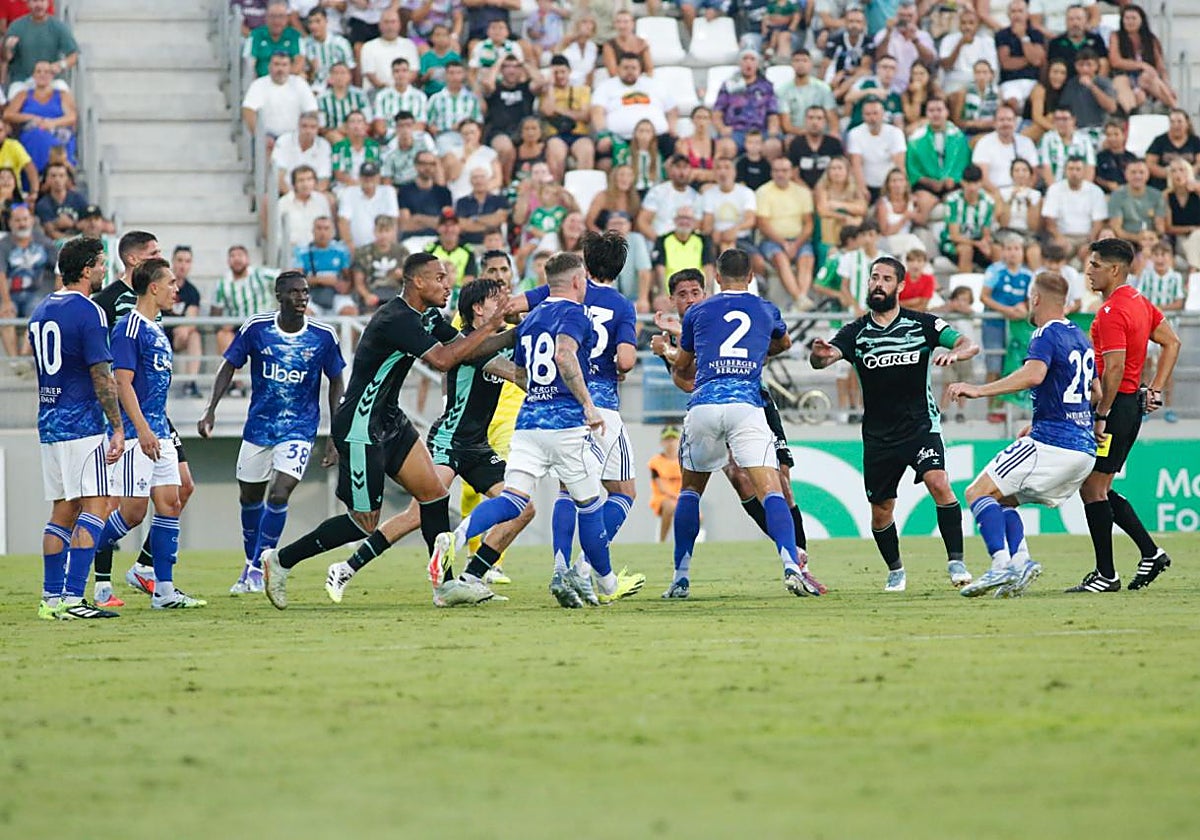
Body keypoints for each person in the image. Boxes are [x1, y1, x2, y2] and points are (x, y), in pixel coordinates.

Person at [259, 253, 514, 609]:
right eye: (440, 278)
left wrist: (514, 335)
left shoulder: (426, 315)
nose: (448, 284)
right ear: (417, 282)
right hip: (362, 426)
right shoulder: (396, 318)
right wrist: (493, 325)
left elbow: (467, 348)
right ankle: (281, 560)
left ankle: (445, 586)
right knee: (363, 523)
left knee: (434, 495)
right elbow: (444, 359)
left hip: (390, 420)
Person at [442, 251, 646, 608]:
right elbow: (569, 356)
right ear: (578, 281)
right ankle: (599, 580)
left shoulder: (532, 316)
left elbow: (519, 370)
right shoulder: (583, 311)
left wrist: (468, 344)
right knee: (594, 504)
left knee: (513, 500)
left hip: (528, 422)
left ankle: (456, 538)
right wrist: (587, 403)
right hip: (572, 423)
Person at [810, 255, 980, 592]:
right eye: (874, 277)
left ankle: (956, 561)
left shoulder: (924, 324)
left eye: (886, 279)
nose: (878, 284)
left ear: (900, 286)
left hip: (920, 425)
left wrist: (956, 354)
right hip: (878, 434)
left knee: (940, 482)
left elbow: (967, 344)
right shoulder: (856, 332)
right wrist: (819, 353)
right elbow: (823, 360)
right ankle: (896, 570)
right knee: (881, 510)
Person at [662, 248, 817, 599]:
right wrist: (753, 351)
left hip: (704, 404)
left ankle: (680, 577)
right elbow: (785, 343)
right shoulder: (765, 308)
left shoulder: (699, 310)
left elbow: (684, 364)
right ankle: (791, 565)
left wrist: (677, 354)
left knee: (690, 491)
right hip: (746, 405)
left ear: (716, 278)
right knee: (771, 489)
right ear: (750, 278)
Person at [508, 233, 641, 602]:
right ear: (619, 267)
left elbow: (511, 307)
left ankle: (560, 566)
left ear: (583, 263)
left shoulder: (555, 292)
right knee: (623, 491)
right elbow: (627, 361)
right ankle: (585, 569)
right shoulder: (621, 305)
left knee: (568, 490)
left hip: (555, 401)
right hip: (599, 407)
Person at [949, 271, 1098, 598]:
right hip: (1084, 449)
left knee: (977, 492)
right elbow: (1095, 391)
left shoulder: (1045, 333)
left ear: (1036, 299)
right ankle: (1022, 561)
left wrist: (979, 390)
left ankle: (1000, 565)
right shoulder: (1082, 338)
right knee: (1002, 498)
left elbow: (1034, 375)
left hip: (1054, 443)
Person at [198, 271, 345, 594]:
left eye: (305, 292)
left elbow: (336, 380)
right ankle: (250, 561)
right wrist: (210, 409)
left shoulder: (323, 335)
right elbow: (228, 365)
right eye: (294, 292)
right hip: (259, 428)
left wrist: (335, 432)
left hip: (300, 428)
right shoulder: (257, 328)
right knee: (249, 497)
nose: (302, 297)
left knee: (279, 493)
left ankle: (260, 565)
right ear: (279, 296)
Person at [89, 231, 196, 604]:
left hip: (159, 432)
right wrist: (144, 430)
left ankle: (163, 592)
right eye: (171, 282)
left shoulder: (156, 327)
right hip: (139, 434)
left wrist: (159, 429)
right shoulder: (128, 327)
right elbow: (122, 383)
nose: (176, 289)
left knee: (170, 503)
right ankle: (79, 554)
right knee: (132, 513)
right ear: (152, 287)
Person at [1070, 237, 1181, 593]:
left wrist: (1101, 413)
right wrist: (1156, 389)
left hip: (1115, 408)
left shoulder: (1111, 311)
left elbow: (1114, 368)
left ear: (1114, 269)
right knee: (1099, 485)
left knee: (1093, 487)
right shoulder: (1137, 301)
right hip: (1128, 404)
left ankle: (1107, 574)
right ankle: (1151, 553)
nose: (1089, 271)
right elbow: (1172, 342)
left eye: (1095, 265)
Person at [30, 236, 124, 620]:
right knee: (96, 507)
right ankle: (73, 598)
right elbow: (101, 374)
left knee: (62, 511)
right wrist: (116, 426)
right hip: (82, 424)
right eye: (101, 263)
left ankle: (51, 599)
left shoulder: (39, 311)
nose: (105, 269)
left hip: (49, 422)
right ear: (86, 269)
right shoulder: (89, 311)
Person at [980, 235, 1035, 417]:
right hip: (994, 324)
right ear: (1003, 251)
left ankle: (1013, 409)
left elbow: (1032, 300)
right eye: (1009, 249)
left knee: (1015, 366)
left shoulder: (1028, 275)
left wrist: (1023, 308)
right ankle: (993, 409)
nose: (1013, 253)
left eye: (1017, 249)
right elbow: (984, 297)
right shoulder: (995, 270)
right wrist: (1006, 310)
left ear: (1022, 252)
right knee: (994, 366)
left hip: (1017, 327)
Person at [1133, 238, 1185, 423]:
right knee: (1145, 366)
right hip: (1147, 330)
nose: (1160, 258)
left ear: (1170, 257)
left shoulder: (1175, 277)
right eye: (1156, 254)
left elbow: (1179, 302)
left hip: (1169, 331)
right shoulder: (1146, 276)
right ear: (1152, 257)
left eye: (1164, 254)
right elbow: (1140, 298)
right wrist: (1153, 312)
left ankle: (1169, 408)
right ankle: (1143, 406)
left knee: (1167, 370)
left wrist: (1160, 309)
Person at [755, 156, 816, 306]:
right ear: (771, 173)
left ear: (792, 172)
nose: (780, 174)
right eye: (776, 171)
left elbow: (808, 224)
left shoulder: (802, 192)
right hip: (772, 240)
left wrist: (795, 244)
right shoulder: (763, 192)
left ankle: (800, 299)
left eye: (784, 171)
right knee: (780, 258)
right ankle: (800, 298)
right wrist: (784, 243)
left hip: (798, 239)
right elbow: (762, 224)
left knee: (807, 258)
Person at [0, 202, 54, 360]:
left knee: (37, 314)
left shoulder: (44, 242)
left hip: (36, 293)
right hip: (10, 294)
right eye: (17, 220)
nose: (22, 224)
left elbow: (59, 267)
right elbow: (1, 274)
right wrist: (6, 301)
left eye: (25, 219)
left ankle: (24, 357)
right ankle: (15, 362)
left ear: (31, 220)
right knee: (6, 314)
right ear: (10, 223)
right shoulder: (3, 245)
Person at [5, 59, 75, 173]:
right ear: (33, 75)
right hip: (32, 132)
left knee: (55, 142)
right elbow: (8, 115)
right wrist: (31, 117)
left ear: (52, 75)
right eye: (39, 71)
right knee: (36, 136)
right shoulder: (23, 95)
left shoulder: (62, 95)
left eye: (46, 72)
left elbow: (72, 117)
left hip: (56, 132)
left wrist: (52, 123)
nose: (42, 75)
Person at [907, 97, 971, 217]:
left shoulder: (958, 136)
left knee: (959, 202)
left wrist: (953, 179)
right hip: (927, 185)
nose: (935, 114)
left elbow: (963, 163)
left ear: (947, 112)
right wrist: (930, 182)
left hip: (952, 184)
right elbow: (912, 170)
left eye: (939, 110)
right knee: (924, 204)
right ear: (926, 114)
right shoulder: (916, 139)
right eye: (931, 110)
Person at [1042, 155, 1108, 262]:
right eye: (1071, 169)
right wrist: (1060, 238)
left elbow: (1098, 223)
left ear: (1084, 171)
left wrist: (1089, 243)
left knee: (1093, 254)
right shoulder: (1054, 189)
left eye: (1078, 169)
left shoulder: (1095, 191)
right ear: (1065, 171)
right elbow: (1050, 222)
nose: (1074, 173)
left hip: (1087, 237)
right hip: (1063, 236)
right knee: (1058, 249)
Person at [162, 245, 203, 398]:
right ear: (172, 261)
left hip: (178, 336)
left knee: (194, 335)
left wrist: (184, 329)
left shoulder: (192, 292)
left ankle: (190, 383)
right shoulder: (161, 285)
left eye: (187, 261)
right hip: (158, 333)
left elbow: (191, 318)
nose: (182, 265)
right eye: (179, 260)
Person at [940, 165, 996, 272]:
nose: (972, 188)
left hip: (977, 242)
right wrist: (976, 244)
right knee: (966, 250)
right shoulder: (953, 201)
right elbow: (954, 236)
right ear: (962, 182)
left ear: (981, 183)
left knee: (997, 249)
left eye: (975, 183)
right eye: (969, 183)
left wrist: (985, 243)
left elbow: (986, 232)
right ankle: (964, 286)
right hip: (952, 244)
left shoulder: (988, 202)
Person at [971, 104, 1038, 192]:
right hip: (993, 194)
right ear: (994, 123)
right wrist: (1000, 197)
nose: (1006, 124)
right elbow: (983, 179)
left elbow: (1034, 175)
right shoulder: (984, 143)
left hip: (1021, 192)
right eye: (1001, 120)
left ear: (1015, 122)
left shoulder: (1026, 143)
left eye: (1009, 120)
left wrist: (1022, 193)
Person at [994, 0, 1047, 110]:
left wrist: (1023, 37)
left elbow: (1038, 61)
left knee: (1039, 98)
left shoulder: (1036, 34)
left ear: (1027, 14)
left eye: (1020, 11)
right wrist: (1030, 59)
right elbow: (1007, 63)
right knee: (1012, 102)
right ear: (1008, 14)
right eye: (1013, 11)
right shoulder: (1002, 34)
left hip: (1033, 81)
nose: (1017, 15)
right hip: (1010, 82)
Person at [351, 214, 408, 310]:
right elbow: (358, 282)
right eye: (380, 231)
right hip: (372, 292)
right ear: (374, 231)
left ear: (393, 232)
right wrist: (367, 296)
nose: (383, 235)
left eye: (387, 231)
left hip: (396, 293)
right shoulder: (363, 253)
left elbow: (411, 278)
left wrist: (402, 275)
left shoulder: (402, 251)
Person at [786, 105, 844, 191]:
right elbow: (794, 175)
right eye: (811, 118)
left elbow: (840, 172)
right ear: (805, 120)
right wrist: (808, 192)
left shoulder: (834, 144)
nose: (814, 122)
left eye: (819, 118)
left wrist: (821, 193)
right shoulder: (796, 144)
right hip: (802, 191)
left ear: (825, 122)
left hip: (830, 190)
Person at [1107, 158, 1165, 243]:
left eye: (1141, 172)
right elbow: (1116, 229)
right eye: (1133, 172)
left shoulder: (1157, 195)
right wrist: (1137, 238)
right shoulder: (1117, 195)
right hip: (1126, 240)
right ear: (1126, 174)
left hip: (1152, 239)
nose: (1137, 176)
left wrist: (1150, 238)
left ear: (1148, 174)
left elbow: (1160, 228)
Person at [648, 426, 682, 543]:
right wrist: (678, 497)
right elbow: (661, 487)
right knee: (670, 506)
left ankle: (694, 544)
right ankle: (662, 541)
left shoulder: (684, 461)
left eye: (673, 439)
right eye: (667, 439)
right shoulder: (656, 462)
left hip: (681, 497)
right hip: (662, 498)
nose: (670, 443)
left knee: (696, 514)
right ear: (662, 442)